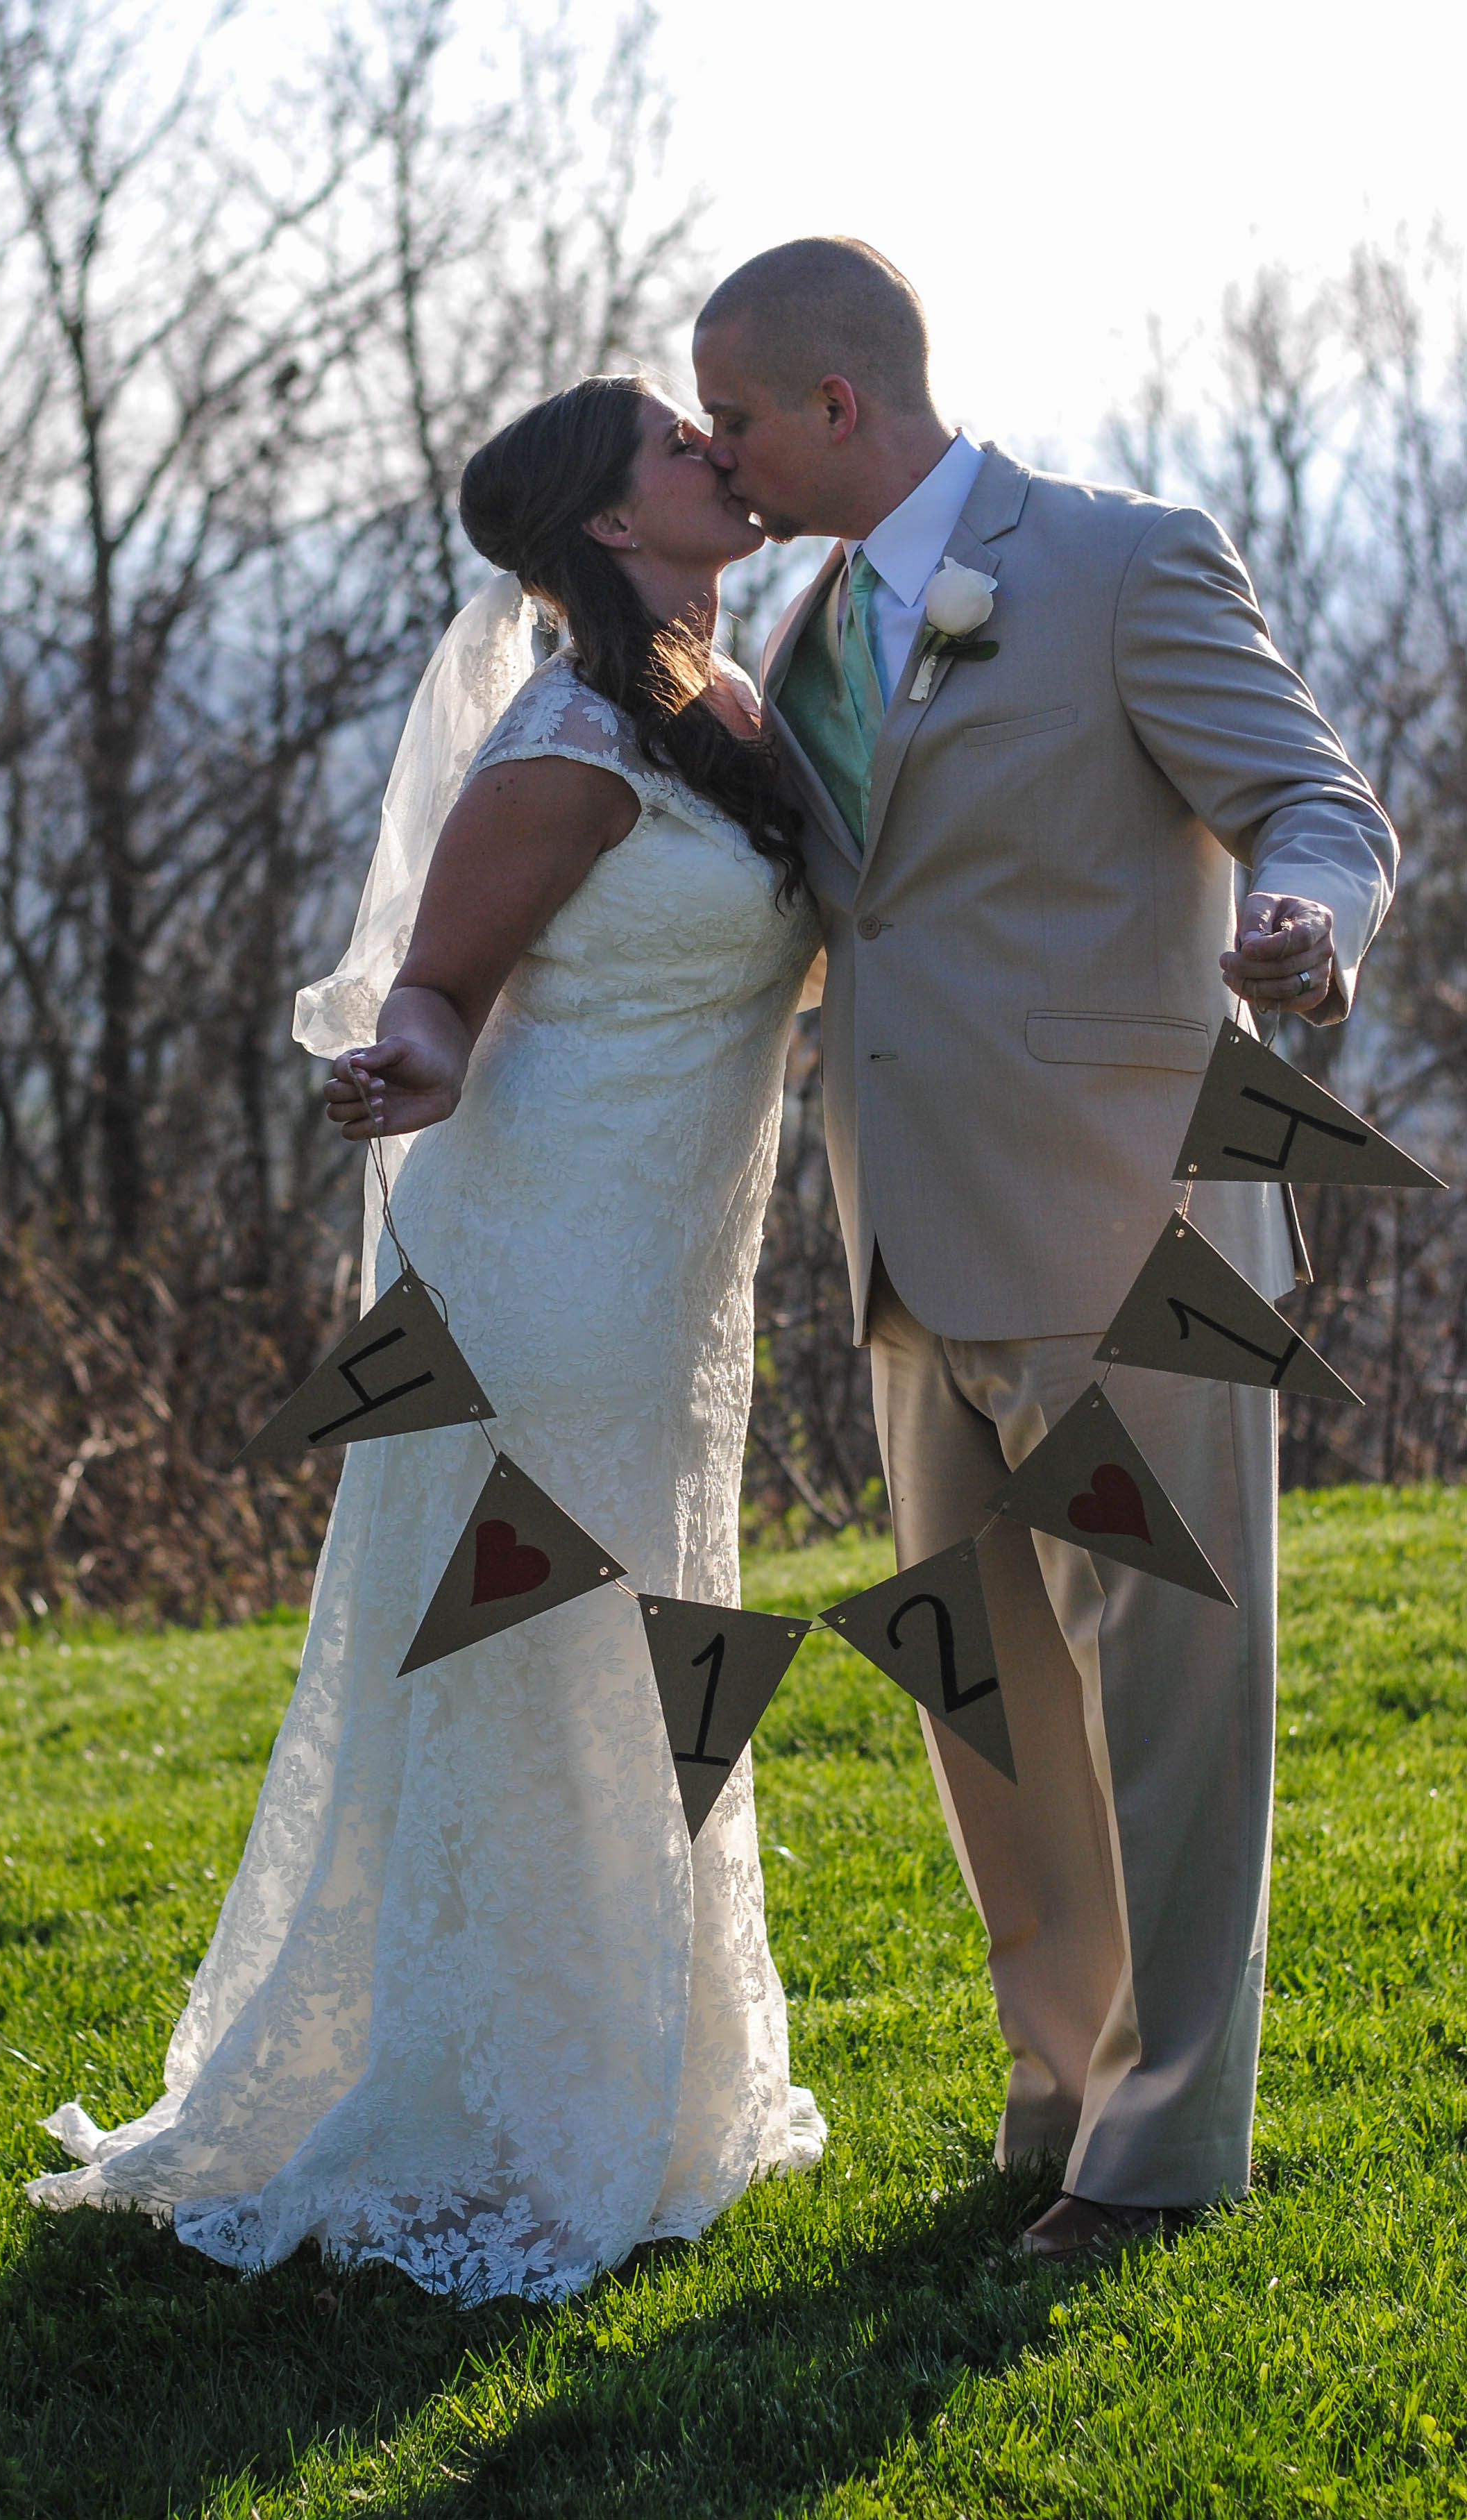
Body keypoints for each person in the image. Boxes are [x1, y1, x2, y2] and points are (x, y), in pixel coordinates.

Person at [26, 373, 825, 2301]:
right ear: (613, 524)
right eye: (674, 443)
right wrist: (405, 1058)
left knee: (637, 1663)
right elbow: (443, 991)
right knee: (540, 1669)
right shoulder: (563, 740)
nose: (716, 454)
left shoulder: (721, 700)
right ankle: (501, 2112)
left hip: (669, 1293)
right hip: (546, 1286)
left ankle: (640, 2071)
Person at [692, 237, 1398, 2261]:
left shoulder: (1114, 559)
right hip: (909, 1243)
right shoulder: (808, 623)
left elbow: (1312, 803)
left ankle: (1162, 2154)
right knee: (987, 1700)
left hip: (1134, 1219)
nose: (719, 455)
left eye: (735, 417)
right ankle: (1063, 2093)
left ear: (839, 407)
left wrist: (1310, 928)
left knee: (1174, 1694)